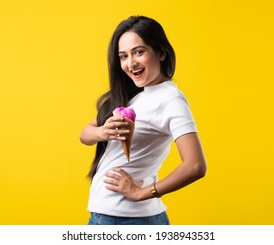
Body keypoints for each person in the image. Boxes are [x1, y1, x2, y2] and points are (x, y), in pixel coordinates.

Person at [79, 15, 207, 225]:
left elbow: (195, 166)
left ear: (161, 52)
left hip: (128, 220)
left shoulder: (170, 99)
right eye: (123, 56)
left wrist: (141, 193)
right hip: (112, 217)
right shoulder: (136, 95)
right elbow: (84, 135)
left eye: (139, 52)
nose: (131, 63)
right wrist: (102, 132)